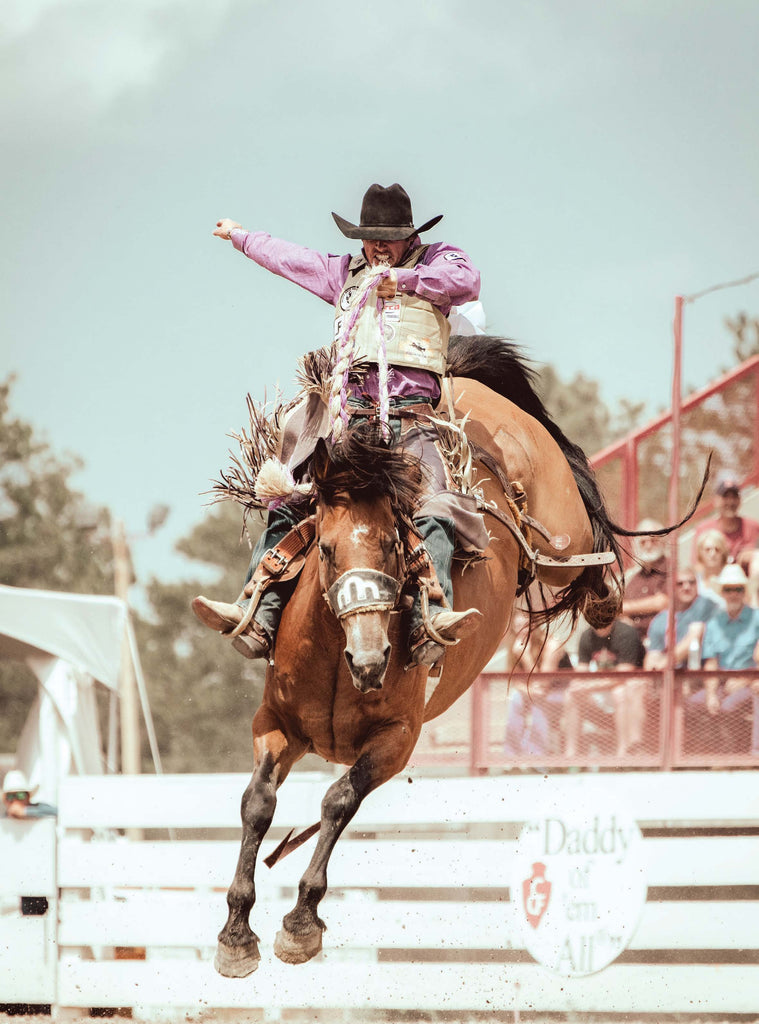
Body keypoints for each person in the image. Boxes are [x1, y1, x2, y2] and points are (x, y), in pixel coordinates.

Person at [193, 183, 483, 668]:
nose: (378, 247)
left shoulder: (439, 260)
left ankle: (429, 620)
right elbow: (292, 259)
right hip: (351, 421)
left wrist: (406, 284)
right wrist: (242, 237)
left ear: (409, 236)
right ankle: (257, 611)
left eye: (388, 238)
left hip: (411, 420)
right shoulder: (345, 274)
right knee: (292, 494)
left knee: (434, 505)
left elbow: (466, 281)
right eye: (370, 238)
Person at [563, 617, 646, 758]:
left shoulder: (626, 633)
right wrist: (577, 685)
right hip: (601, 688)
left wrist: (589, 686)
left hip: (630, 689)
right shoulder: (586, 636)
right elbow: (581, 673)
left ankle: (623, 752)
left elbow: (624, 676)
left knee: (619, 693)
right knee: (571, 694)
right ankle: (571, 753)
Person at [699, 564, 759, 755]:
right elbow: (710, 661)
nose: (733, 594)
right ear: (722, 592)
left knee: (728, 706)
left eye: (738, 589)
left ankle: (745, 753)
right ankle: (705, 754)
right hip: (722, 682)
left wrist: (746, 679)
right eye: (728, 589)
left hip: (751, 681)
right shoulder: (714, 623)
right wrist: (710, 692)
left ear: (744, 592)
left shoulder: (757, 618)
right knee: (692, 702)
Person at [503, 610, 573, 757]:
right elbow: (515, 681)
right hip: (536, 692)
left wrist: (526, 657)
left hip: (562, 693)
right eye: (518, 627)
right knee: (517, 699)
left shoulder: (551, 645)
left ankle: (536, 757)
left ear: (535, 625)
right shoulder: (516, 645)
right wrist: (529, 690)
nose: (523, 631)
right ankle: (511, 757)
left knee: (539, 703)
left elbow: (543, 682)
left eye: (526, 626)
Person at [644, 567, 718, 670]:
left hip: (700, 673)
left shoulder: (705, 605)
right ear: (671, 588)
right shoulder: (660, 620)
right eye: (680, 584)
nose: (686, 587)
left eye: (691, 582)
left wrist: (662, 665)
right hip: (670, 674)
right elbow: (653, 655)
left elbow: (693, 638)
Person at [692, 474, 759, 574]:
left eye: (734, 497)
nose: (730, 502)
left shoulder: (753, 527)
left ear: (740, 500)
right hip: (714, 584)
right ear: (716, 500)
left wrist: (754, 554)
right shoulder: (703, 529)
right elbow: (696, 566)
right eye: (725, 497)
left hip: (747, 585)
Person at [621, 519, 670, 645]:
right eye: (643, 542)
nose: (648, 545)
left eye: (653, 540)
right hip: (635, 641)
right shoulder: (635, 578)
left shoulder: (670, 568)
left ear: (662, 542)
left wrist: (624, 608)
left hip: (660, 641)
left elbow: (662, 602)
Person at [693, 528, 730, 603]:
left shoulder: (731, 576)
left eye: (717, 549)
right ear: (700, 553)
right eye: (707, 549)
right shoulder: (695, 580)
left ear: (723, 552)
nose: (712, 554)